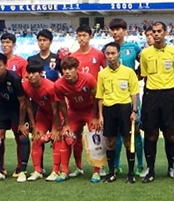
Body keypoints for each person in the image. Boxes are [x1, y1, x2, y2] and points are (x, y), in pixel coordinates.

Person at [139, 21, 174, 183]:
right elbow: (145, 76)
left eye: (159, 31)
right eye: (154, 32)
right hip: (151, 96)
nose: (156, 34)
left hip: (169, 96)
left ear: (166, 33)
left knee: (171, 134)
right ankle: (151, 170)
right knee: (151, 134)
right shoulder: (145, 54)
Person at [96, 42, 140, 184]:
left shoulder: (128, 72)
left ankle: (131, 173)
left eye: (113, 53)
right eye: (108, 54)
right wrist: (101, 115)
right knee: (110, 142)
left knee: (128, 141)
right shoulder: (102, 74)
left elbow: (134, 93)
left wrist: (134, 111)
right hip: (109, 110)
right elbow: (100, 97)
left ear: (119, 54)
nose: (110, 56)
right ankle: (111, 172)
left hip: (124, 109)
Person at [0, 53, 33, 182]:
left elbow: (23, 102)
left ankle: (22, 169)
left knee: (22, 135)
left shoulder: (14, 78)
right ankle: (0, 170)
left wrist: (22, 123)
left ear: (6, 65)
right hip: (4, 107)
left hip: (17, 108)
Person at [54, 56, 101, 182]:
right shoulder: (59, 84)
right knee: (67, 137)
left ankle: (97, 171)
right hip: (74, 111)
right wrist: (66, 124)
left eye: (70, 68)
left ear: (77, 69)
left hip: (90, 110)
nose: (67, 72)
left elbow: (97, 97)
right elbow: (62, 104)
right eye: (64, 69)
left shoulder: (88, 79)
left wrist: (96, 116)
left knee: (96, 137)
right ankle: (67, 170)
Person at [108, 18, 144, 177]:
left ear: (124, 30)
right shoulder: (107, 49)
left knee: (134, 131)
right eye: (112, 29)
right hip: (114, 98)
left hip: (131, 97)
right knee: (115, 134)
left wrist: (138, 76)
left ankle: (140, 165)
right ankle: (116, 165)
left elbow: (145, 63)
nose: (115, 32)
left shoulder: (133, 47)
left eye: (118, 29)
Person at [22, 60, 60, 181]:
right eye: (29, 73)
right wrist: (33, 126)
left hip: (56, 115)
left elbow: (56, 109)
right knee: (36, 139)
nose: (31, 76)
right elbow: (28, 105)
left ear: (41, 73)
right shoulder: (25, 85)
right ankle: (37, 170)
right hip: (42, 114)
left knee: (57, 139)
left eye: (35, 73)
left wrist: (56, 128)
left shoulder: (50, 87)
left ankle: (55, 171)